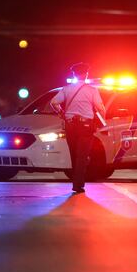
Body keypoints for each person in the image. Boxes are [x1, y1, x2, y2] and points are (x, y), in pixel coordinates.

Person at [50, 63, 107, 194]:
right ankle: (78, 184)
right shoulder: (92, 90)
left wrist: (61, 113)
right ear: (86, 74)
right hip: (86, 126)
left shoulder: (66, 89)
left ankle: (76, 181)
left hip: (70, 125)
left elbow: (53, 102)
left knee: (74, 154)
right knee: (82, 156)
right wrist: (99, 123)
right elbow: (100, 108)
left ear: (74, 74)